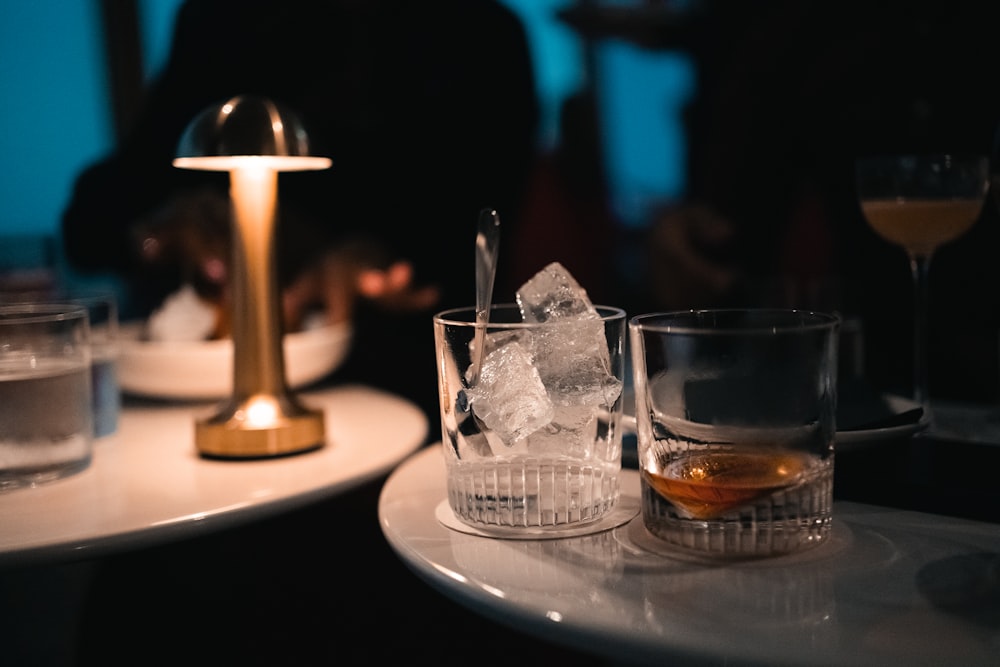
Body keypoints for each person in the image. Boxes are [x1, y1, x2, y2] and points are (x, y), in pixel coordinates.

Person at [62, 0, 541, 425]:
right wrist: (162, 228)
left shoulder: (478, 35)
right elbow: (93, 220)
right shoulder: (224, 23)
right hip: (190, 394)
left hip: (402, 388)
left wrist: (377, 260)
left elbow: (480, 236)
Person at [624, 0, 1000, 402]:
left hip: (970, 335)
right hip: (791, 348)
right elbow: (742, 120)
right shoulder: (786, 28)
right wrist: (692, 223)